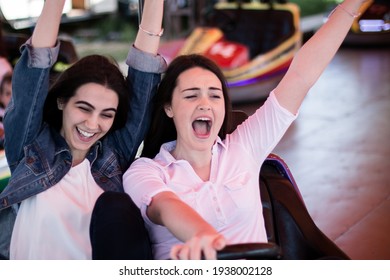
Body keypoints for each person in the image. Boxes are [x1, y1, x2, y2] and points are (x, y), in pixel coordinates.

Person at [123, 0, 367, 260]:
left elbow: (301, 77)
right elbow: (163, 205)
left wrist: (351, 6)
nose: (205, 104)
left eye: (214, 96)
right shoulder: (146, 171)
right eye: (192, 96)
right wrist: (201, 234)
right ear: (169, 108)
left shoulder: (244, 147)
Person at [0, 0, 166, 260]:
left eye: (106, 114)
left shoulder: (114, 155)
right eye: (84, 108)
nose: (92, 124)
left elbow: (145, 74)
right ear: (62, 101)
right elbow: (35, 67)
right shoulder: (31, 147)